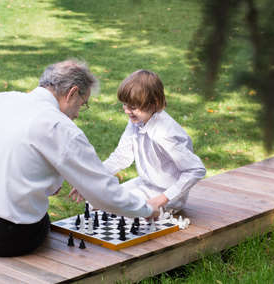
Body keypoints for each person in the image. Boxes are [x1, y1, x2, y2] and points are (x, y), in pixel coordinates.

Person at [0, 60, 159, 257]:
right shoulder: (59, 126)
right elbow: (102, 193)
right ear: (72, 93)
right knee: (45, 222)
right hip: (7, 237)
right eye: (82, 104)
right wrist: (146, 209)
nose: (77, 114)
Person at [70, 70, 206, 214]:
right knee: (96, 200)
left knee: (115, 210)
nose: (127, 111)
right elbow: (121, 157)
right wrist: (90, 180)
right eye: (124, 105)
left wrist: (162, 199)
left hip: (168, 195)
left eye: (133, 107)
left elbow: (195, 170)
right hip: (146, 184)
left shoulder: (165, 133)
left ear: (154, 104)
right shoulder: (137, 121)